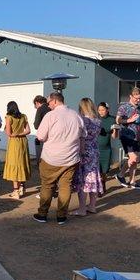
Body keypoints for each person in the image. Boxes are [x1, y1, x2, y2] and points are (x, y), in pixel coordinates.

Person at [32, 92, 85, 225]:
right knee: (65, 186)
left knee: (47, 186)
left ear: (55, 101)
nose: (48, 105)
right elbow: (83, 135)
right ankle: (61, 216)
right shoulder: (76, 115)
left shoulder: (50, 115)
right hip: (71, 158)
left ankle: (42, 214)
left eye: (49, 102)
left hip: (51, 158)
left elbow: (41, 136)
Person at [70, 98, 103, 216]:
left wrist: (80, 151)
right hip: (95, 150)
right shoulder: (98, 120)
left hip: (85, 151)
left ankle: (82, 209)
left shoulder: (83, 120)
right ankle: (92, 206)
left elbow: (81, 137)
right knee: (93, 178)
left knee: (83, 180)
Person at [115, 87, 140, 189]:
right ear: (130, 96)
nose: (138, 100)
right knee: (133, 158)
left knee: (135, 160)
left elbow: (138, 122)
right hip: (127, 135)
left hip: (136, 136)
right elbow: (118, 120)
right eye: (136, 98)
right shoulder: (124, 107)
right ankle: (120, 175)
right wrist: (129, 120)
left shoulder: (139, 109)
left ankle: (132, 181)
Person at [3, 101, 32, 198]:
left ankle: (16, 191)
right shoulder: (23, 116)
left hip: (14, 143)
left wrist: (15, 134)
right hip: (23, 142)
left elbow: (8, 133)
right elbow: (28, 130)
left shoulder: (9, 117)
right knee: (22, 163)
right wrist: (20, 133)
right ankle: (22, 187)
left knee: (14, 164)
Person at [97, 102, 116, 193]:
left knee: (105, 170)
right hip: (95, 149)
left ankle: (103, 183)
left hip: (106, 149)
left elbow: (114, 137)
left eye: (103, 110)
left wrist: (116, 130)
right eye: (99, 110)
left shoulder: (112, 119)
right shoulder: (96, 119)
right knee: (97, 169)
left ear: (107, 110)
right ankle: (98, 188)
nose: (101, 112)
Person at [33, 95, 50, 166]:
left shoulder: (40, 109)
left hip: (43, 136)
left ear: (37, 103)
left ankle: (39, 165)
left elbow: (36, 125)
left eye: (35, 105)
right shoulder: (51, 108)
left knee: (40, 152)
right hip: (53, 135)